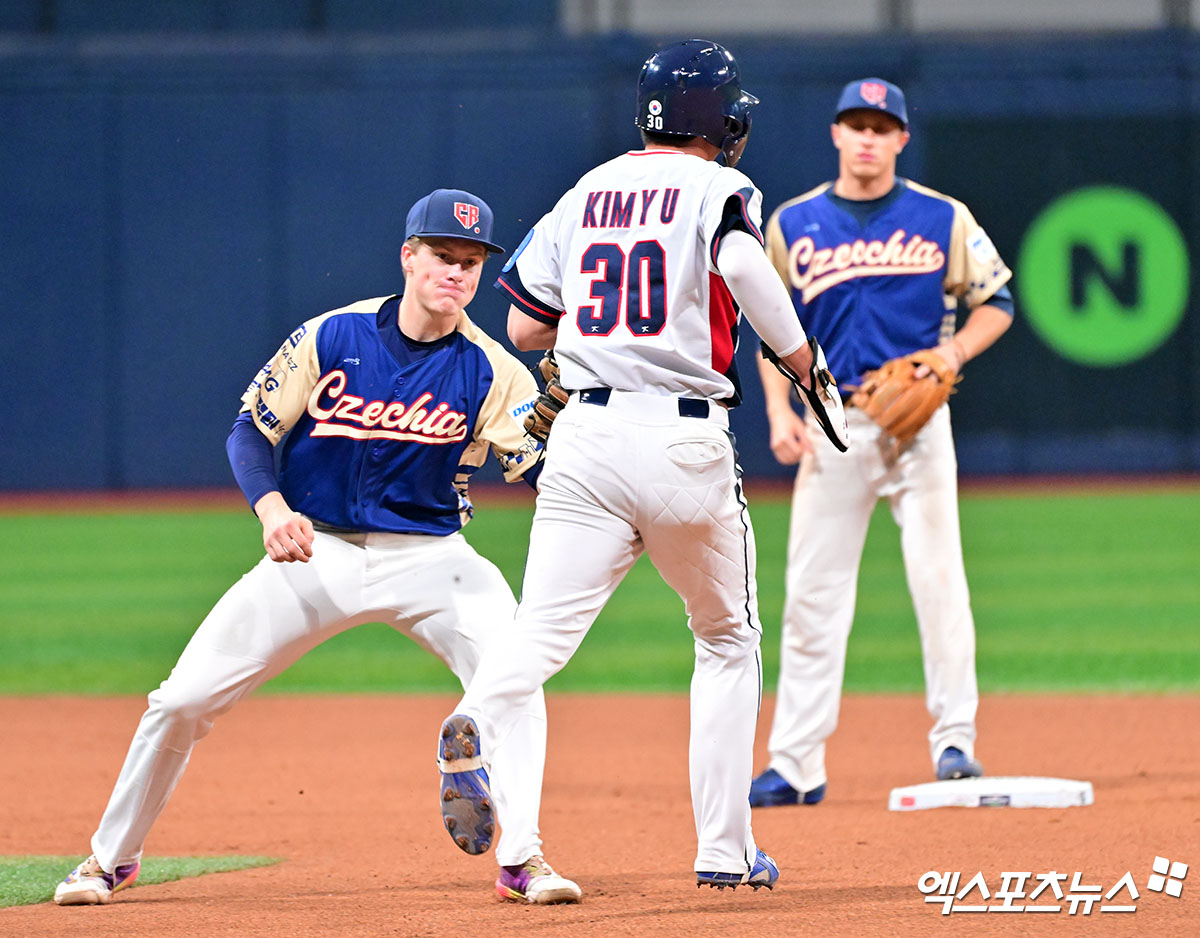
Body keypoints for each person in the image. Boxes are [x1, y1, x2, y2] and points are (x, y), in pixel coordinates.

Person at [53, 188, 579, 905]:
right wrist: (271, 509)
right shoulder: (330, 335)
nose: (456, 272)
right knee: (180, 701)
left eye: (470, 261)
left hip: (434, 559)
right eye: (442, 256)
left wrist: (585, 446)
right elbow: (250, 429)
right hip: (314, 553)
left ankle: (523, 859)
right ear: (408, 256)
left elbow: (541, 474)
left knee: (516, 677)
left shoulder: (492, 369)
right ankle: (108, 859)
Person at [434, 39, 843, 897]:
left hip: (584, 436)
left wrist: (606, 321)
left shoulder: (587, 190)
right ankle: (724, 852)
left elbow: (526, 330)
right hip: (682, 438)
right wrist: (802, 360)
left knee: (540, 635)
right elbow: (738, 262)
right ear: (717, 121)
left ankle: (473, 718)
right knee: (727, 640)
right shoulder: (719, 189)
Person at [747, 78, 1014, 808]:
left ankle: (955, 739)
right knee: (811, 595)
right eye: (855, 124)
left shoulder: (941, 217)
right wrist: (779, 411)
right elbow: (772, 333)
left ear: (900, 138)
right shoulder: (794, 225)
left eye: (881, 126)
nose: (867, 137)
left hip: (921, 425)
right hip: (833, 419)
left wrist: (953, 357)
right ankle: (797, 765)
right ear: (836, 134)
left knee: (938, 579)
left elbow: (998, 302)